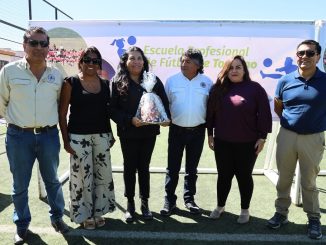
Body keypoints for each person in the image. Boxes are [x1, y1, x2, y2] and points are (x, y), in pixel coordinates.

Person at [0, 26, 69, 244]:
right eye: (34, 43)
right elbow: (1, 102)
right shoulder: (9, 71)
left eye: (43, 43)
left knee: (52, 180)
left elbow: (60, 107)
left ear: (48, 47)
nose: (39, 47)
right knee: (20, 184)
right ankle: (22, 225)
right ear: (24, 45)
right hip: (19, 136)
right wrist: (17, 123)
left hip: (49, 136)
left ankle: (57, 218)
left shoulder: (56, 75)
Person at [267, 40, 326, 240]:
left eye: (310, 53)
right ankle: (281, 213)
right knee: (284, 178)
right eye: (301, 53)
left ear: (318, 56)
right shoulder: (285, 81)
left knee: (309, 182)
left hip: (313, 138)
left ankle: (313, 218)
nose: (304, 57)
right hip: (287, 135)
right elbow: (278, 106)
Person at [206, 55, 272, 223]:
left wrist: (262, 137)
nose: (234, 71)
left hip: (247, 143)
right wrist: (210, 134)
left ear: (244, 70)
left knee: (244, 176)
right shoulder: (217, 89)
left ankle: (244, 210)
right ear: (226, 71)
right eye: (231, 68)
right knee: (224, 176)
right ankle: (220, 206)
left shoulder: (255, 88)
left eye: (238, 67)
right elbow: (210, 114)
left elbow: (264, 114)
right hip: (222, 142)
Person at [110, 46, 170, 223]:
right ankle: (130, 204)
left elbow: (163, 104)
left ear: (144, 61)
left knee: (144, 167)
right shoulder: (117, 81)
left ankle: (145, 203)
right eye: (132, 58)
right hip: (128, 132)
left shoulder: (152, 80)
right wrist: (130, 120)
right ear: (125, 62)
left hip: (148, 132)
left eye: (139, 58)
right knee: (129, 167)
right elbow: (112, 110)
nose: (136, 61)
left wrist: (165, 118)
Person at [59, 46, 116, 229]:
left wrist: (110, 135)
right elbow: (62, 114)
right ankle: (83, 214)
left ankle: (98, 211)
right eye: (88, 60)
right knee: (81, 178)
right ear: (81, 62)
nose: (91, 64)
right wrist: (66, 141)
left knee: (102, 175)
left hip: (101, 136)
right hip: (78, 137)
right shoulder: (71, 82)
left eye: (95, 61)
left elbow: (106, 113)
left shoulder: (106, 84)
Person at [160, 48, 213, 216]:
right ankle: (169, 201)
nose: (183, 64)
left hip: (198, 131)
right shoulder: (171, 81)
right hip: (176, 130)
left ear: (198, 65)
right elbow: (165, 104)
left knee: (192, 168)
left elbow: (211, 109)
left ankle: (189, 199)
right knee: (172, 168)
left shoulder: (207, 82)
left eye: (188, 61)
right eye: (182, 61)